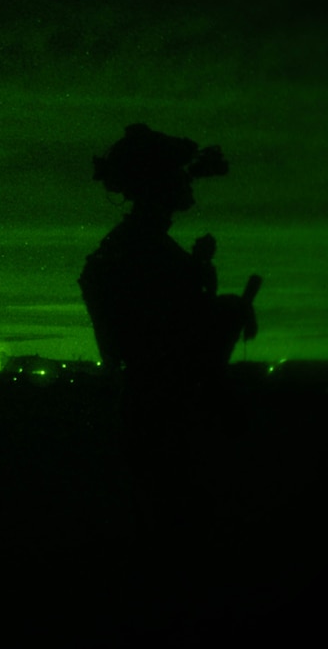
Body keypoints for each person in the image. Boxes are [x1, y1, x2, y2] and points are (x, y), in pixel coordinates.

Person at [77, 123, 259, 615]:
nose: (189, 185)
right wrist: (220, 309)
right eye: (180, 177)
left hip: (157, 405)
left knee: (166, 525)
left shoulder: (134, 246)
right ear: (158, 184)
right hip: (170, 410)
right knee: (176, 535)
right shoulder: (142, 249)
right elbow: (170, 334)